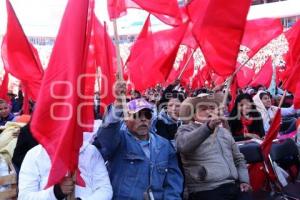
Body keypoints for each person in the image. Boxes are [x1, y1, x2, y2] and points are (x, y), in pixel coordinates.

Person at [93, 82, 183, 200]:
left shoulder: (165, 146)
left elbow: (173, 184)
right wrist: (119, 103)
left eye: (147, 115)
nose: (143, 119)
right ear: (125, 120)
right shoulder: (118, 140)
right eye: (136, 115)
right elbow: (106, 134)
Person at [176, 93, 252, 200]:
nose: (209, 111)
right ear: (193, 115)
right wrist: (208, 127)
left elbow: (239, 159)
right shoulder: (186, 129)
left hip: (233, 186)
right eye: (203, 108)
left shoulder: (224, 132)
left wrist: (244, 181)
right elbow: (183, 146)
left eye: (212, 107)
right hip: (206, 190)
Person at [18, 141, 113, 200]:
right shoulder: (34, 154)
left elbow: (105, 189)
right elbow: (24, 197)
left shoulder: (91, 152)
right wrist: (56, 192)